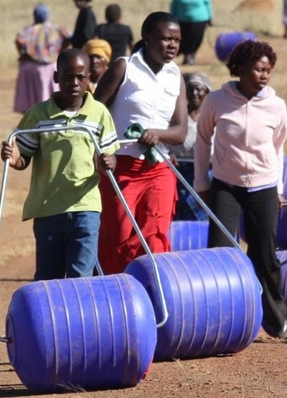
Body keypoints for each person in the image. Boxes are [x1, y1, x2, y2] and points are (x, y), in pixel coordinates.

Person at [193, 40, 287, 339]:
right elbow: (202, 141)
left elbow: (279, 146)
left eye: (269, 71)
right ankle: (221, 320)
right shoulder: (217, 100)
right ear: (241, 69)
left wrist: (279, 187)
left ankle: (275, 318)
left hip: (264, 186)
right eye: (259, 69)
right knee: (219, 251)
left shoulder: (276, 105)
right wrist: (202, 182)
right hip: (226, 186)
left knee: (265, 254)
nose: (264, 76)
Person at [1, 48, 118, 281]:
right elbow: (23, 157)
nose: (73, 82)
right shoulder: (38, 115)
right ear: (56, 78)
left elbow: (109, 158)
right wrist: (14, 158)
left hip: (86, 206)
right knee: (48, 277)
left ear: (88, 79)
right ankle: (51, 318)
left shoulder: (99, 114)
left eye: (80, 77)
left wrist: (109, 163)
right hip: (48, 209)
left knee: (81, 276)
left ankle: (81, 318)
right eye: (66, 76)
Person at [93, 11, 188, 275]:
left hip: (159, 169)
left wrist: (157, 134)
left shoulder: (175, 75)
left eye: (177, 40)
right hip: (120, 167)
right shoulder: (124, 68)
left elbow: (180, 132)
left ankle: (155, 299)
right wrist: (102, 154)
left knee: (155, 237)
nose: (172, 45)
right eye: (166, 39)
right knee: (118, 238)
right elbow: (94, 115)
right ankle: (116, 300)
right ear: (147, 38)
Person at [13, 4, 71, 114]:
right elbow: (68, 37)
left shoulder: (28, 31)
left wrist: (24, 54)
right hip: (51, 66)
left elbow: (19, 41)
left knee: (31, 100)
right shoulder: (55, 29)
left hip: (31, 67)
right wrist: (61, 50)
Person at [172, 72, 211, 221]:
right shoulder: (177, 117)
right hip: (178, 172)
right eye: (190, 89)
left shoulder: (212, 117)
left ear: (207, 92)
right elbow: (165, 143)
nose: (194, 93)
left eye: (199, 89)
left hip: (205, 172)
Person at [169, 0, 213, 66]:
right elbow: (174, 5)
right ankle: (186, 56)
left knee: (195, 39)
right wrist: (171, 19)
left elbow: (207, 3)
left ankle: (191, 56)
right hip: (182, 20)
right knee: (183, 39)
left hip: (200, 19)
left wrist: (210, 17)